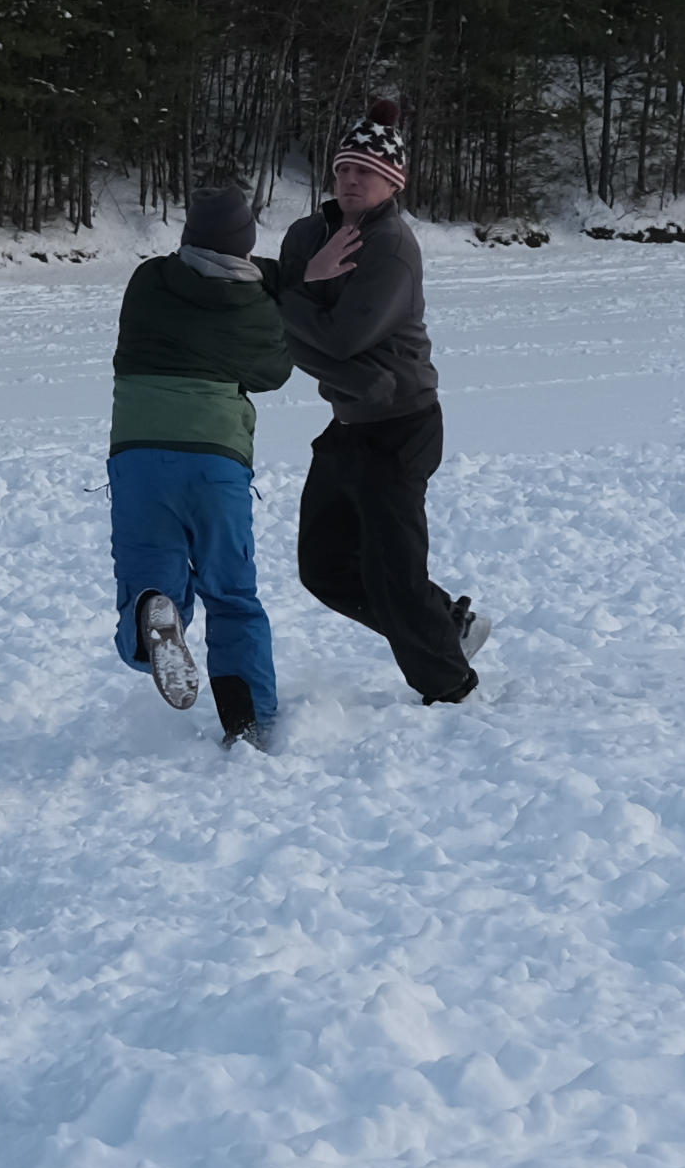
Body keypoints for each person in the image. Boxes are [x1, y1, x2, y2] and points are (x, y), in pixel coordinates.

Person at [270, 95, 483, 705]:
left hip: (401, 423)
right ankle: (447, 625)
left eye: (364, 172)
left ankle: (451, 686)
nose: (350, 180)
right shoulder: (308, 233)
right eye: (342, 169)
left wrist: (295, 296)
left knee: (394, 575)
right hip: (347, 420)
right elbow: (288, 319)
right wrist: (302, 291)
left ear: (393, 181)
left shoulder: (391, 248)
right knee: (324, 568)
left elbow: (342, 336)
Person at [106, 177, 295, 743]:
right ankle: (248, 720)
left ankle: (152, 618)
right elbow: (274, 373)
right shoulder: (255, 307)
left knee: (148, 567)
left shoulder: (149, 281)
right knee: (232, 591)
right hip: (216, 459)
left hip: (137, 453)